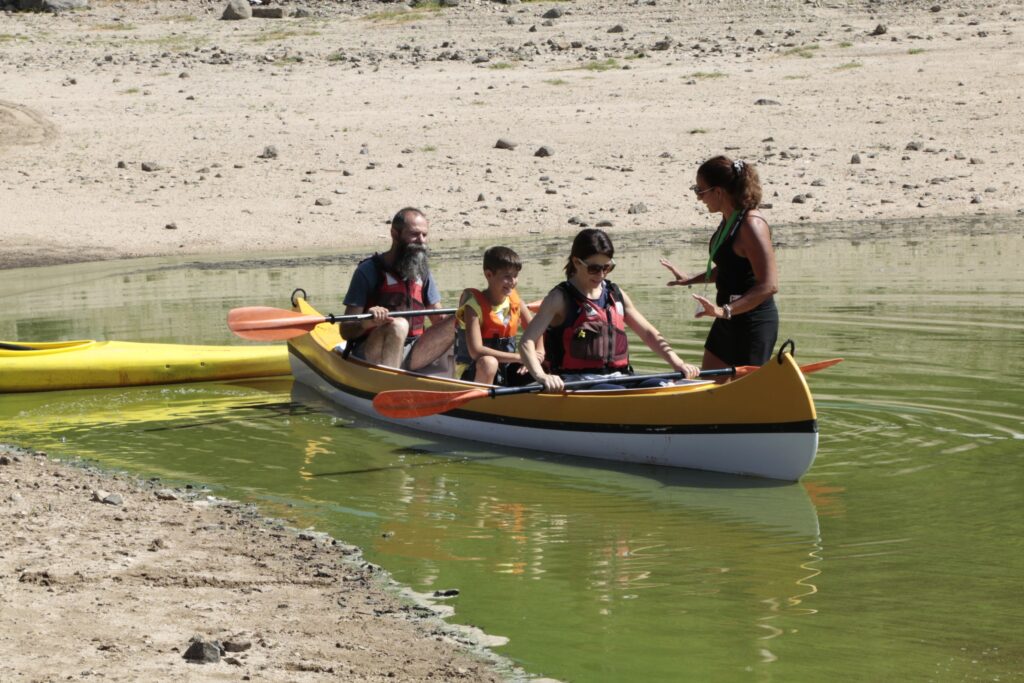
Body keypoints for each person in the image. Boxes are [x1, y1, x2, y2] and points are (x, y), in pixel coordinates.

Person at [519, 228, 701, 393]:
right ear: (576, 262)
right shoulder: (559, 298)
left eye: (607, 267)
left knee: (664, 385)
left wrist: (678, 363)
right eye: (594, 268)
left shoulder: (615, 293)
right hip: (577, 382)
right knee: (618, 392)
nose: (601, 275)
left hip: (621, 377)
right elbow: (526, 342)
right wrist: (542, 376)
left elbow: (648, 333)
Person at [659, 156, 779, 369]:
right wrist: (690, 279)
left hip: (752, 322)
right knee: (710, 385)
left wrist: (725, 311)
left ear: (718, 192)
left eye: (700, 191)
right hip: (727, 317)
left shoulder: (752, 225)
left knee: (742, 395)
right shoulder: (728, 220)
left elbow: (769, 285)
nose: (699, 198)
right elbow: (731, 267)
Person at [340, 207, 455, 372]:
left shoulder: (423, 271)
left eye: (424, 235)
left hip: (414, 351)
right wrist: (368, 322)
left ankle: (462, 383)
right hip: (371, 353)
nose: (421, 241)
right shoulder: (368, 271)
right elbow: (345, 330)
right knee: (398, 325)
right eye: (414, 234)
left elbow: (439, 319)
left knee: (457, 320)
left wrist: (467, 315)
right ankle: (391, 384)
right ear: (395, 234)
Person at [454, 246, 538, 386]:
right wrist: (519, 357)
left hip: (504, 368)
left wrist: (538, 354)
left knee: (542, 364)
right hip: (473, 371)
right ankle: (481, 404)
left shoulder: (516, 302)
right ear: (489, 275)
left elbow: (536, 330)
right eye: (507, 276)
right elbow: (476, 351)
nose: (512, 281)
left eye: (515, 276)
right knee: (489, 363)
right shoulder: (473, 307)